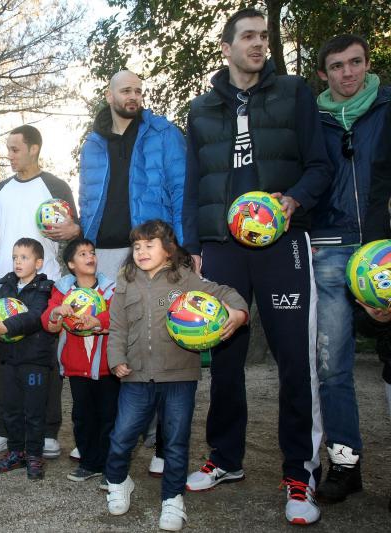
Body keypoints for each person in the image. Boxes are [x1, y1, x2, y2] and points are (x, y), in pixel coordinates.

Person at [181, 8, 331, 525]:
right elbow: (193, 183)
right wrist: (193, 244)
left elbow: (320, 165)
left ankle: (300, 475)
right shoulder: (200, 109)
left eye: (263, 36)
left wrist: (291, 203)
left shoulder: (293, 94)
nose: (258, 44)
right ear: (226, 46)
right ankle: (225, 458)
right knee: (224, 359)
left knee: (295, 359)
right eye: (248, 36)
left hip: (282, 242)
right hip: (222, 244)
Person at [103, 220, 248, 531]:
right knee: (121, 436)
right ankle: (117, 481)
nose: (141, 252)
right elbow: (117, 327)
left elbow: (225, 292)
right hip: (135, 376)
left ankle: (172, 499)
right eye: (137, 247)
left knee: (176, 442)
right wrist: (116, 360)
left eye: (149, 245)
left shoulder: (185, 279)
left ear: (168, 251)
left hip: (179, 376)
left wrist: (238, 313)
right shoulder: (126, 281)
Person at [310, 34, 391, 504]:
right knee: (332, 366)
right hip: (330, 248)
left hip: (384, 248)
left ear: (367, 63)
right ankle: (344, 463)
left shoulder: (387, 107)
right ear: (323, 72)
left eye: (355, 63)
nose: (348, 73)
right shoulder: (312, 118)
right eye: (337, 66)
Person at [0, 125, 80, 459]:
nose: (9, 155)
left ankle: (46, 431)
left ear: (34, 149)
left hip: (42, 287)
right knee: (0, 361)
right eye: (9, 148)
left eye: (15, 149)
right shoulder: (0, 189)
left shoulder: (55, 186)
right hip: (2, 287)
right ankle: (5, 428)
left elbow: (70, 234)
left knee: (41, 360)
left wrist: (75, 229)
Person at [79, 70, 186, 280]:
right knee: (105, 314)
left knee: (155, 313)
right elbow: (86, 201)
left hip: (152, 251)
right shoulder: (92, 145)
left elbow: (181, 191)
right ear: (109, 95)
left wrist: (182, 245)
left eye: (138, 91)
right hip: (102, 252)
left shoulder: (164, 133)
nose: (133, 96)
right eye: (126, 91)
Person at [41, 238, 118, 483]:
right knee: (83, 417)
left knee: (109, 416)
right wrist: (57, 312)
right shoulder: (63, 291)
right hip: (76, 368)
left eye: (92, 253)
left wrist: (99, 321)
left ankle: (109, 466)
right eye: (83, 254)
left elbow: (118, 316)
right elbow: (48, 320)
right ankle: (88, 462)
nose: (90, 257)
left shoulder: (108, 289)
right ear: (72, 264)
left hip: (106, 368)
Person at [0, 238, 56, 480]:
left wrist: (5, 326)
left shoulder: (44, 289)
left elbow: (34, 317)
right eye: (14, 257)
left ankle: (34, 455)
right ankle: (16, 452)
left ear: (39, 263)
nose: (18, 262)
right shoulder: (7, 286)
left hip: (34, 361)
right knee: (11, 408)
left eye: (24, 257)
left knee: (33, 410)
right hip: (9, 361)